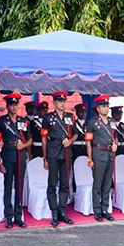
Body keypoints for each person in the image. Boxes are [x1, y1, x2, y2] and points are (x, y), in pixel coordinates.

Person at [0, 92, 32, 228]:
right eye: (11, 104)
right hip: (8, 155)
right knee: (8, 186)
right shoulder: (2, 121)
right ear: (7, 106)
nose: (14, 107)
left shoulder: (24, 121)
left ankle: (18, 216)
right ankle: (8, 217)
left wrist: (24, 145)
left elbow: (30, 140)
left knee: (19, 187)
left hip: (21, 156)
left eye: (16, 104)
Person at [41, 92, 76, 226]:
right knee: (52, 183)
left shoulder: (70, 117)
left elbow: (76, 134)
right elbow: (44, 138)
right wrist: (45, 157)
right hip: (53, 152)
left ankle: (62, 211)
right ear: (54, 103)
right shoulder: (48, 118)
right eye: (59, 101)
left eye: (63, 101)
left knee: (65, 183)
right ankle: (54, 212)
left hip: (66, 152)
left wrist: (70, 141)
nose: (62, 103)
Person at [85, 95, 117, 222]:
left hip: (109, 154)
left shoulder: (111, 121)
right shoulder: (92, 122)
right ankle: (97, 210)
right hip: (98, 153)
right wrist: (90, 158)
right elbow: (88, 142)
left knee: (108, 183)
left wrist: (115, 144)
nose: (106, 108)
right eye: (104, 106)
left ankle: (105, 209)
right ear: (98, 108)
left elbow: (115, 136)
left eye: (107, 106)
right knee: (98, 184)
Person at [71, 103, 88, 192]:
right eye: (81, 112)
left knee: (86, 170)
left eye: (84, 112)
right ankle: (75, 191)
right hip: (76, 150)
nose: (83, 114)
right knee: (76, 170)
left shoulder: (89, 124)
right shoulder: (72, 125)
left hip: (86, 149)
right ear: (77, 113)